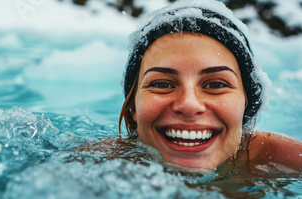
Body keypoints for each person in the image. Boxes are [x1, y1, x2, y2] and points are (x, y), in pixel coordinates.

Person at [118, 0, 302, 171]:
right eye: (162, 84)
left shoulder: (286, 161)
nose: (189, 105)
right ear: (134, 105)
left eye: (215, 84)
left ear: (245, 102)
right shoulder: (99, 161)